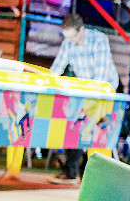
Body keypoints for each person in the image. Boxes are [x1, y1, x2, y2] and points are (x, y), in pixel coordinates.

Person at [48, 13, 119, 185]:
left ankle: (91, 176)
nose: (70, 41)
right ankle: (71, 172)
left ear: (81, 30)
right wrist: (47, 84)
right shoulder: (68, 43)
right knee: (74, 127)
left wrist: (92, 96)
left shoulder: (98, 40)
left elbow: (101, 75)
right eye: (67, 37)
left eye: (72, 36)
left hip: (105, 89)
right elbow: (57, 68)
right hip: (84, 89)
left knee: (96, 131)